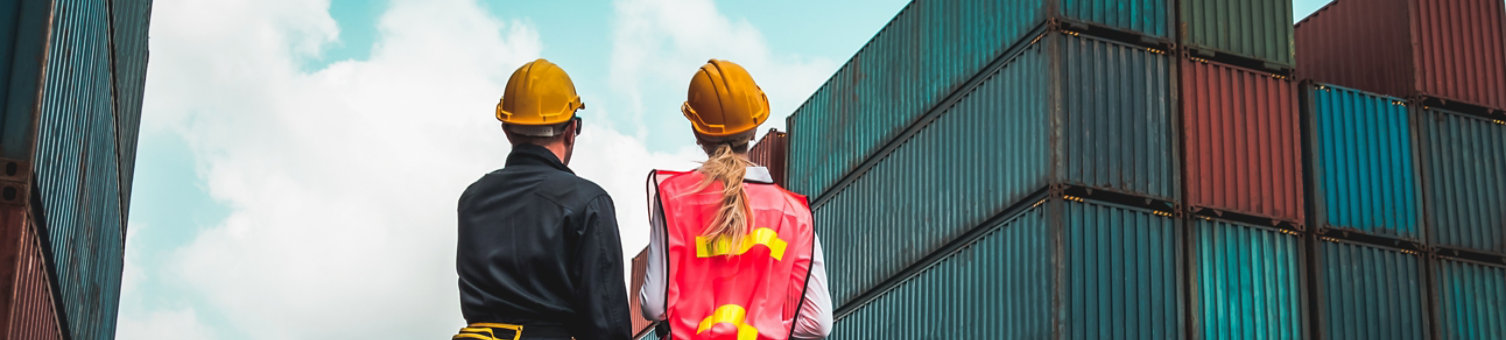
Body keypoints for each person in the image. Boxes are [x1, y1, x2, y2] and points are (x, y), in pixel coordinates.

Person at [640, 59, 832, 340]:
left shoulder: (674, 198)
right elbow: (818, 323)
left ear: (697, 132)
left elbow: (654, 305)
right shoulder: (794, 214)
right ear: (755, 129)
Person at [455, 58, 630, 340]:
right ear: (572, 130)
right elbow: (607, 325)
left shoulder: (472, 200)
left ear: (507, 130)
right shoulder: (588, 202)